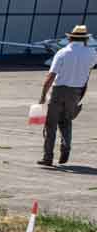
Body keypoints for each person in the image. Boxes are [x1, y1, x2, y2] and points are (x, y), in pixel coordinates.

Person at [37, 25, 97, 166]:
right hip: (76, 92)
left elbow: (51, 75)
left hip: (58, 91)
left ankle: (48, 157)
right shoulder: (92, 53)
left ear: (70, 38)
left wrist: (43, 95)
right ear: (85, 39)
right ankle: (66, 148)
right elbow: (88, 71)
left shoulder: (62, 52)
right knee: (66, 121)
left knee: (51, 124)